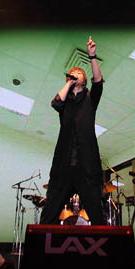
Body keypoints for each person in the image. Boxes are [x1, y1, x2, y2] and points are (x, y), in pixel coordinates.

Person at [40, 36, 105, 226]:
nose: (76, 73)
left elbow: (99, 81)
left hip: (87, 168)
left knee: (97, 217)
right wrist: (68, 82)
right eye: (72, 72)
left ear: (84, 80)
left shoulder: (90, 99)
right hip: (63, 167)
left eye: (79, 72)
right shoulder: (65, 102)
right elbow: (55, 103)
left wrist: (92, 56)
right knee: (49, 215)